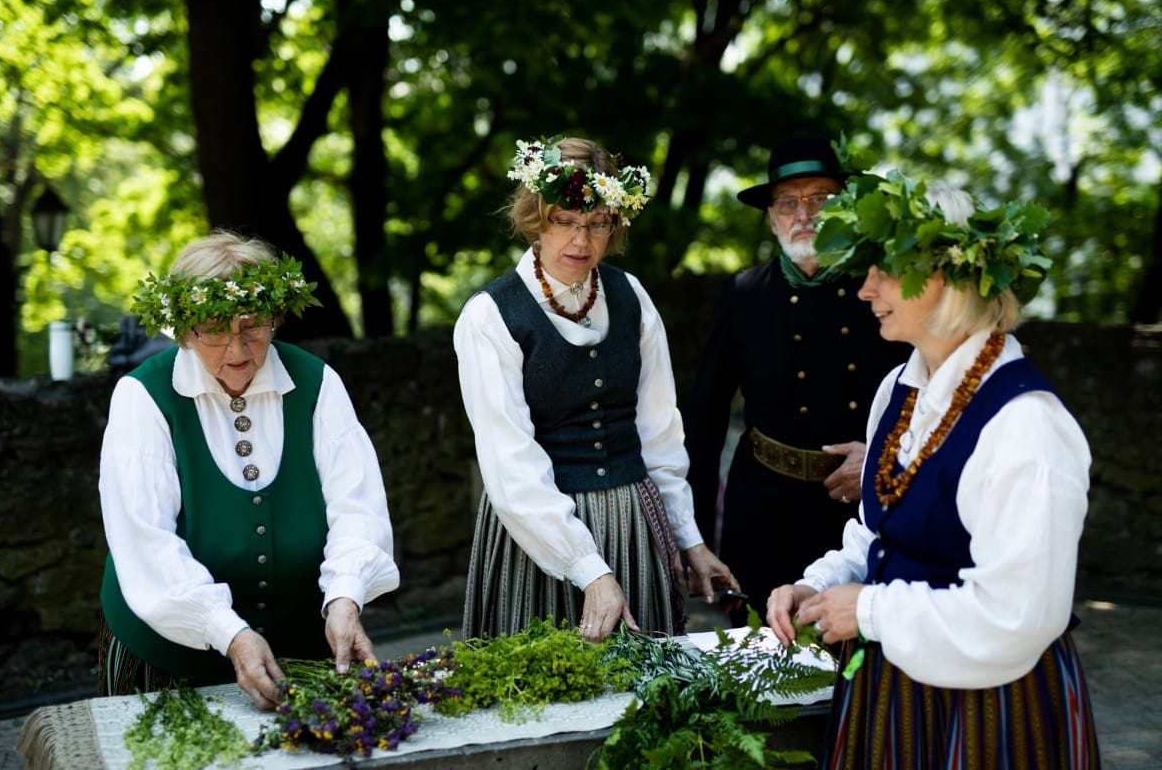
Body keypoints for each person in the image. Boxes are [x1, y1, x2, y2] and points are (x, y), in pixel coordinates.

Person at [766, 173, 1101, 767]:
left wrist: (867, 610)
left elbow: (1017, 616)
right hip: (889, 695)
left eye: (883, 271)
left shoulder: (1026, 426)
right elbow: (879, 530)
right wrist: (818, 586)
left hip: (992, 714)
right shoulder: (899, 388)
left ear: (944, 277)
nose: (864, 290)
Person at [97, 231, 400, 710]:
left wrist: (346, 595)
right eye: (214, 328)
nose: (237, 349)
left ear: (275, 317)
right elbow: (146, 541)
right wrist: (229, 632)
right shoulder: (143, 398)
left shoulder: (317, 384)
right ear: (184, 328)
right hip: (169, 656)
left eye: (252, 325)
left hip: (298, 651)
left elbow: (356, 506)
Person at [454, 136, 739, 643]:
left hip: (634, 523)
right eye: (564, 220)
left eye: (597, 223)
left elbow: (659, 434)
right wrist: (587, 568)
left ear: (615, 223)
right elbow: (509, 462)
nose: (581, 241)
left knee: (646, 703)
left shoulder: (633, 298)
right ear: (534, 218)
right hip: (539, 543)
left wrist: (689, 539)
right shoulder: (489, 316)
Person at [684, 133, 909, 625]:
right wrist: (695, 535)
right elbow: (705, 416)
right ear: (771, 217)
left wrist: (878, 461)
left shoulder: (882, 289)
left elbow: (922, 397)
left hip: (854, 510)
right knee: (757, 659)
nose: (803, 214)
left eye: (820, 199)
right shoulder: (742, 293)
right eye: (788, 202)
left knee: (850, 665)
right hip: (761, 509)